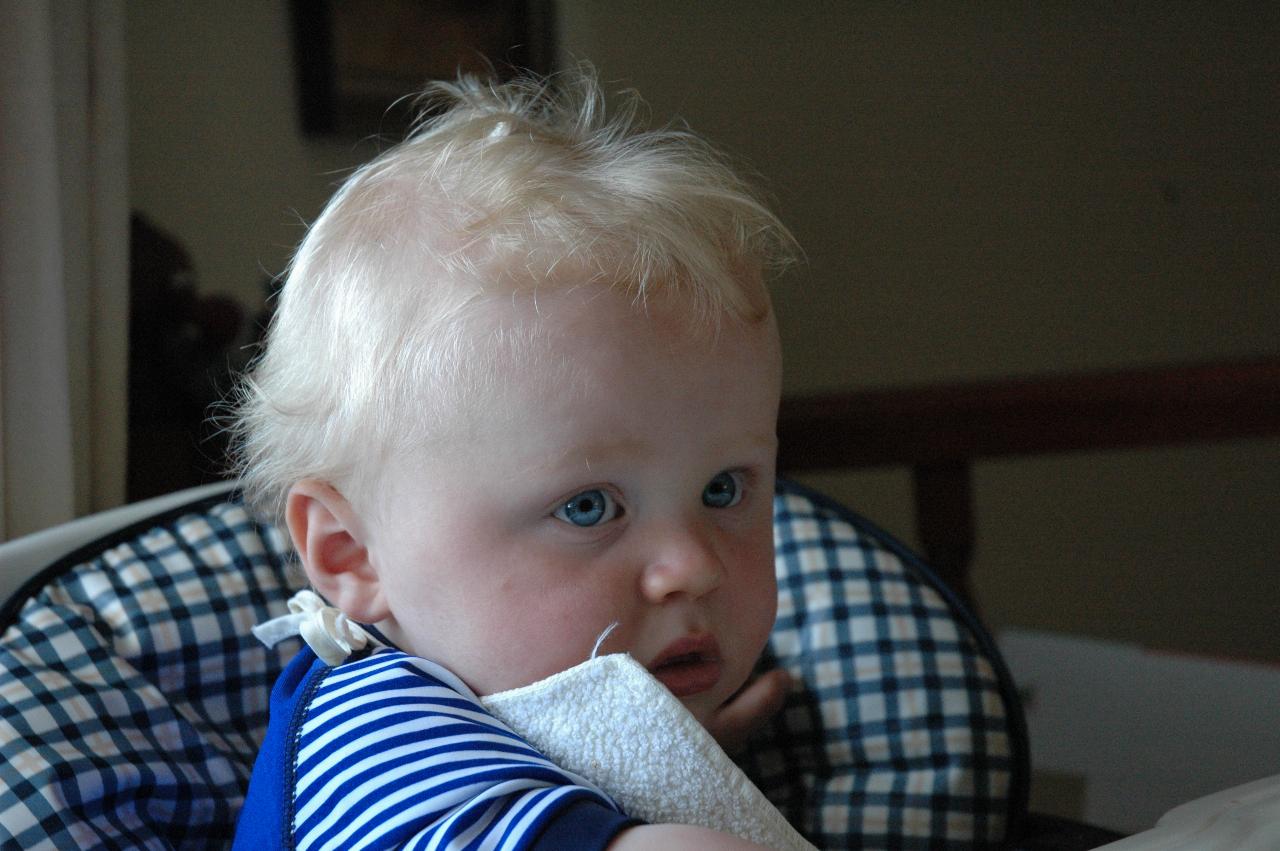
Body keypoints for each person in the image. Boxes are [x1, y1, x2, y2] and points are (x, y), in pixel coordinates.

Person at [231, 67, 798, 850]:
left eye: (724, 486)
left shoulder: (506, 678)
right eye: (588, 506)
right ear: (354, 553)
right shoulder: (374, 750)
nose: (690, 567)